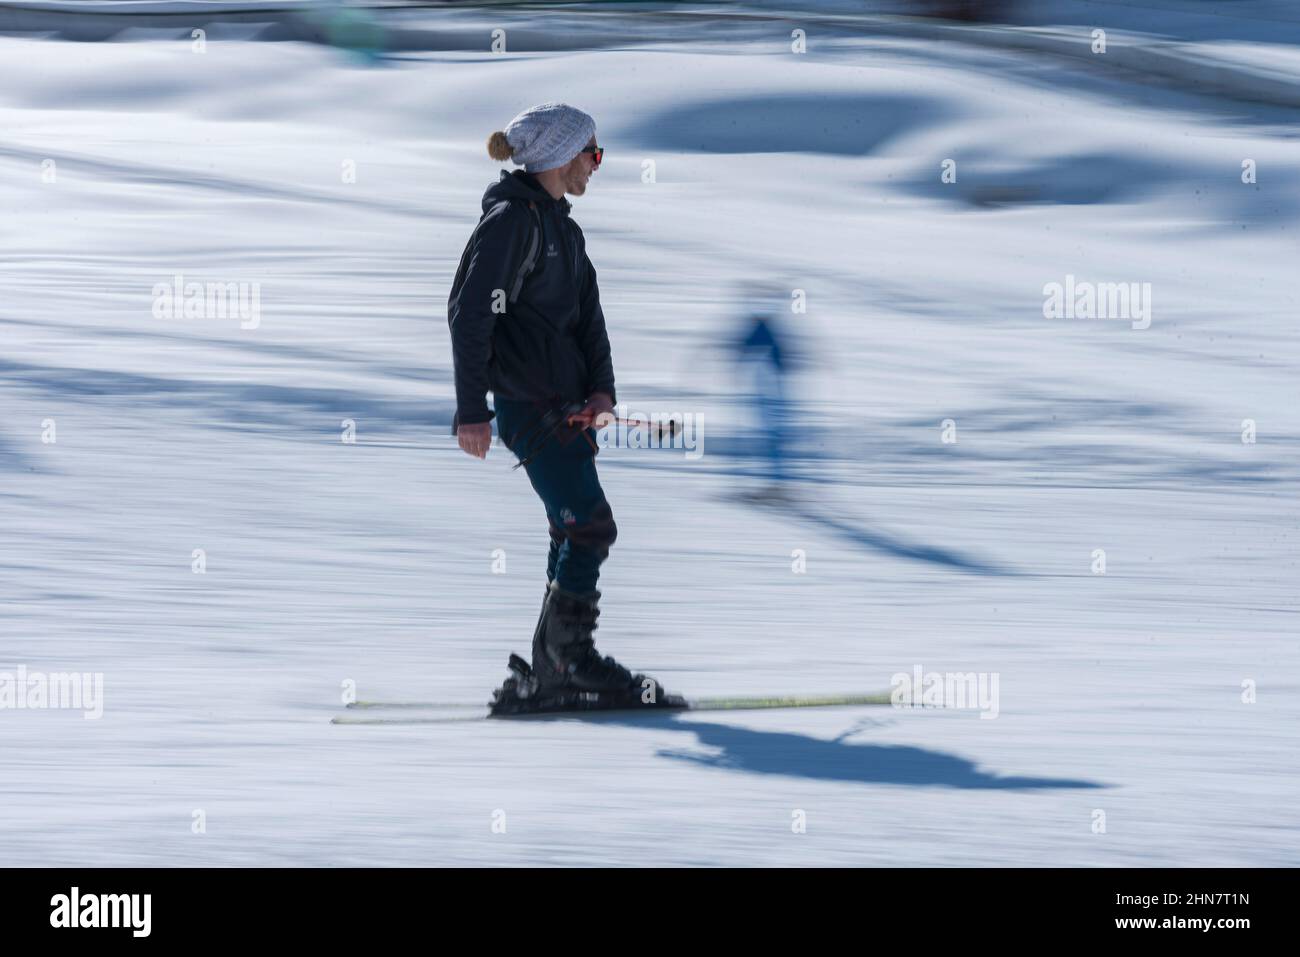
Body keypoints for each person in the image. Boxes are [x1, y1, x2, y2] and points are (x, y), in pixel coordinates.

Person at [447, 102, 658, 699]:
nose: (596, 165)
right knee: (591, 526)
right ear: (562, 154)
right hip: (528, 406)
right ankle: (567, 660)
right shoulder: (512, 223)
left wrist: (602, 392)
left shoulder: (563, 229)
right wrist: (472, 410)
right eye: (592, 153)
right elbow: (468, 316)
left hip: (566, 409)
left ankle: (552, 668)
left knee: (573, 531)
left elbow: (590, 321)